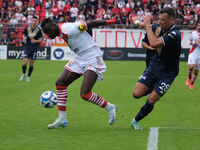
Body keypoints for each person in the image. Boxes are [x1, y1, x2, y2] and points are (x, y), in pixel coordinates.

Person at [41, 15, 118, 129]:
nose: (48, 35)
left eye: (48, 31)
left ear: (54, 25)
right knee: (60, 83)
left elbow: (90, 23)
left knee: (85, 94)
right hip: (80, 57)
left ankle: (109, 107)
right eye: (46, 33)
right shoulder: (60, 31)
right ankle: (62, 119)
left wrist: (110, 21)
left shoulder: (69, 29)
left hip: (92, 57)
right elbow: (86, 27)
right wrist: (88, 37)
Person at [131, 7, 181, 129]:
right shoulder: (158, 26)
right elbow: (144, 25)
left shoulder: (175, 34)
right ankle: (155, 87)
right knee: (136, 94)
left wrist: (148, 26)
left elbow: (153, 43)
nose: (160, 21)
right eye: (159, 19)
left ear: (171, 20)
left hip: (168, 72)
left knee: (152, 98)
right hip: (154, 66)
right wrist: (137, 22)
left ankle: (135, 121)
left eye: (163, 20)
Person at [19, 16, 43, 82]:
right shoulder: (27, 28)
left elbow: (41, 39)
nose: (34, 22)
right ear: (31, 21)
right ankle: (23, 74)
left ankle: (28, 76)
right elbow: (24, 35)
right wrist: (23, 37)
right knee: (24, 63)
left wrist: (36, 41)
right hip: (27, 48)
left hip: (34, 48)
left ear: (37, 22)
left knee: (31, 63)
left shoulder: (39, 30)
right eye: (33, 20)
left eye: (35, 21)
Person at [185, 21, 200, 89]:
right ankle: (189, 78)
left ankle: (192, 83)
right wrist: (195, 42)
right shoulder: (193, 34)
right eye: (198, 25)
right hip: (193, 52)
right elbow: (189, 42)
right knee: (191, 67)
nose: (199, 27)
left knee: (196, 71)